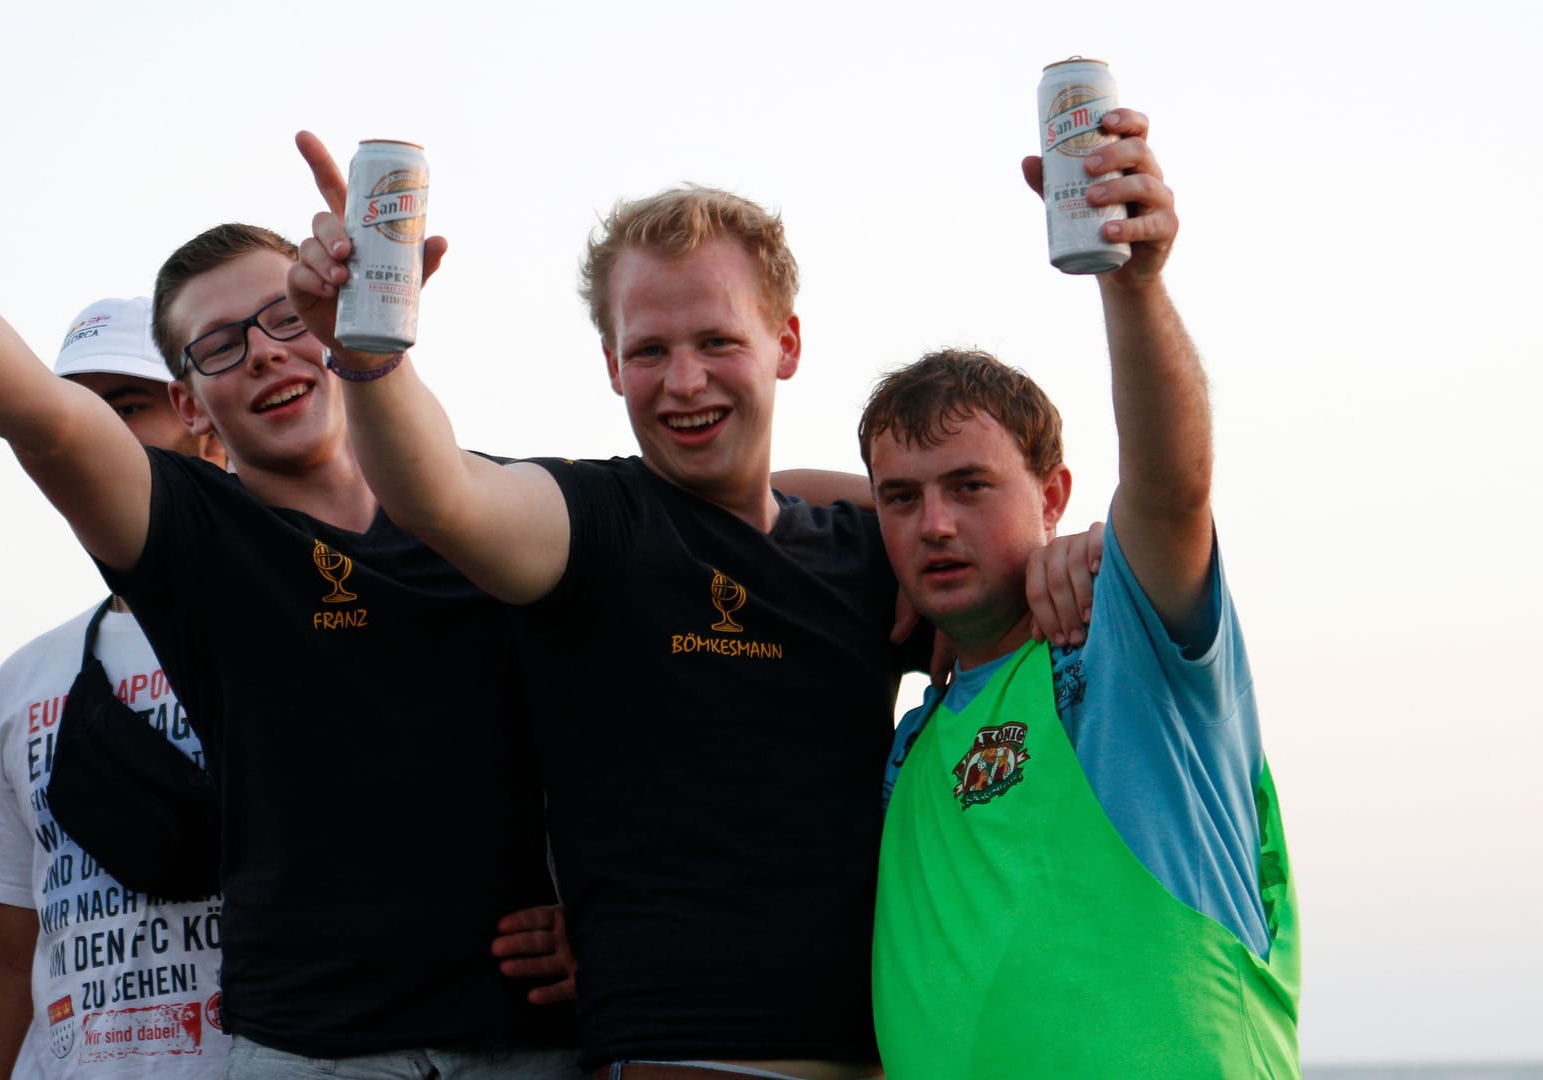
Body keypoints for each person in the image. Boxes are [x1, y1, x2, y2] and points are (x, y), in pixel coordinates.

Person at [0, 106, 578, 1080]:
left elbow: (654, 717)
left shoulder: (500, 513)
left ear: (337, 324)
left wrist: (605, 919)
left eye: (288, 320)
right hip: (312, 1050)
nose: (261, 353)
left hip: (525, 1043)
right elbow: (45, 420)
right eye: (217, 347)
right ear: (187, 404)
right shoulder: (200, 540)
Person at [288, 136, 943, 1079]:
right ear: (610, 363)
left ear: (785, 345)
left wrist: (1063, 559)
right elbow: (438, 492)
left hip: (888, 1054)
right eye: (650, 351)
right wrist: (367, 353)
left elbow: (1002, 571)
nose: (684, 382)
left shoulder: (869, 551)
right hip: (678, 1060)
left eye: (718, 341)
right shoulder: (594, 525)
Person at [861, 109, 1300, 1077]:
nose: (933, 524)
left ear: (1055, 493)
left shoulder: (1122, 655)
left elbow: (1172, 489)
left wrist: (1133, 287)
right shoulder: (913, 743)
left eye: (971, 487)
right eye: (901, 498)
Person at [0, 296, 234, 1077]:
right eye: (69, 407)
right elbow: (7, 950)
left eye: (127, 407)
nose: (82, 434)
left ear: (199, 417)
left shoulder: (306, 631)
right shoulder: (23, 681)